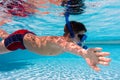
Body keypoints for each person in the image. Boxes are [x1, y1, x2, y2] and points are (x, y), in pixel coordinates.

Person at [0, 21, 111, 71]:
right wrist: (84, 53)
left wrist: (84, 53)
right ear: (69, 35)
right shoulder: (58, 41)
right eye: (81, 36)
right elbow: (67, 46)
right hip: (19, 39)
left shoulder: (69, 44)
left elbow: (71, 47)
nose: (83, 40)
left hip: (28, 38)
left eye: (84, 37)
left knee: (5, 37)